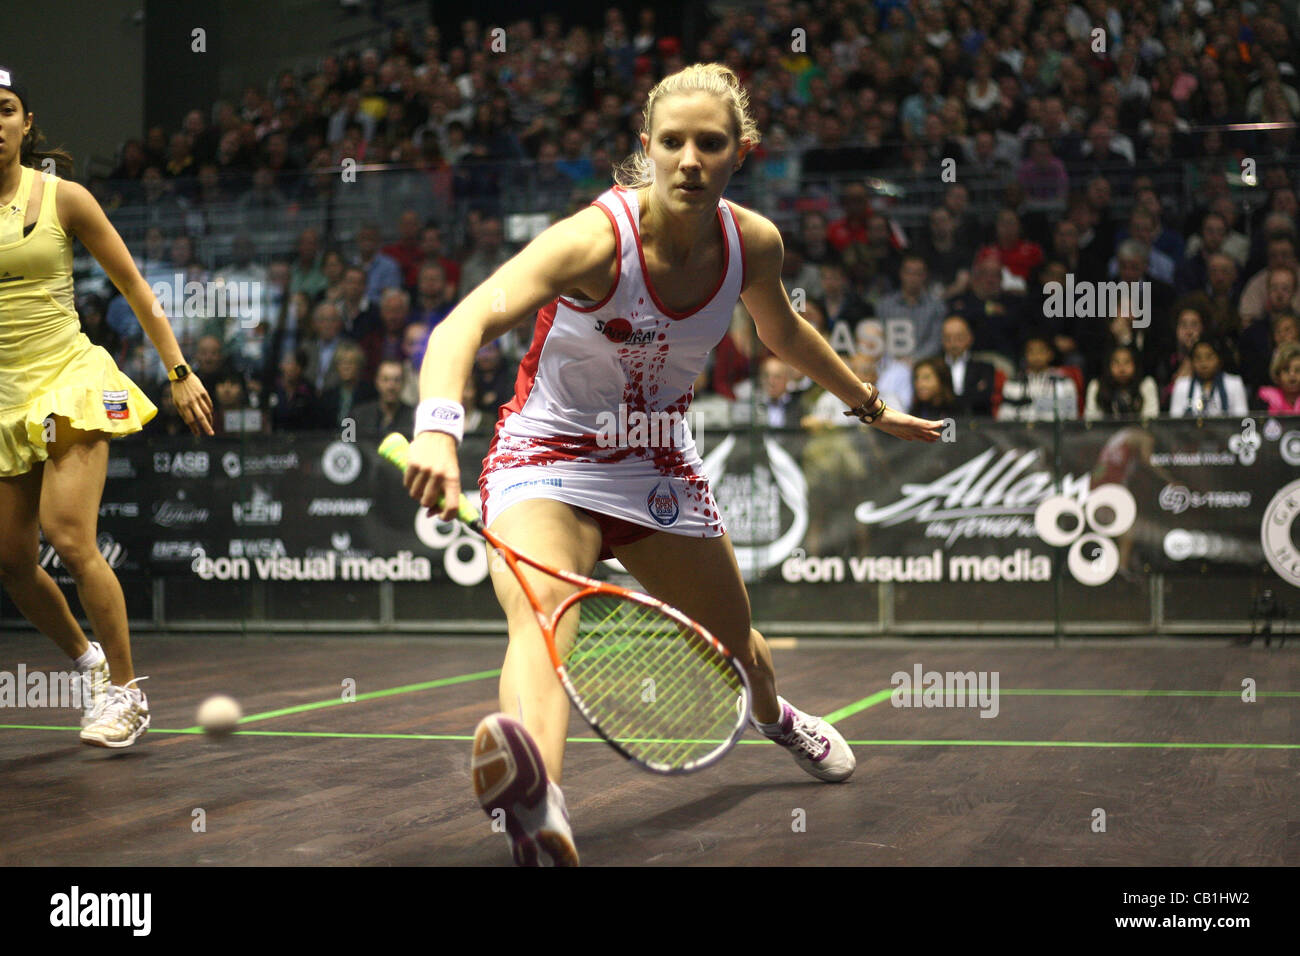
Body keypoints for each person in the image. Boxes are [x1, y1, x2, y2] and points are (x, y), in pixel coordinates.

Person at [399, 63, 941, 867]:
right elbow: (462, 323)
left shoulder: (752, 244)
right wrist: (438, 430)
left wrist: (869, 406)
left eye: (710, 144)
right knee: (544, 616)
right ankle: (537, 805)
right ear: (646, 147)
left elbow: (783, 335)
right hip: (548, 456)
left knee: (739, 646)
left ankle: (774, 717)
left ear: (740, 153)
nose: (690, 159)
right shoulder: (593, 240)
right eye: (674, 142)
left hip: (657, 470)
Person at [0, 70, 214, 749]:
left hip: (71, 381)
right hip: (5, 400)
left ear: (26, 122)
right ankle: (90, 665)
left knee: (68, 535)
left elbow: (134, 285)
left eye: (4, 109)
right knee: (8, 558)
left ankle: (126, 692)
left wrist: (178, 370)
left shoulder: (65, 198)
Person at [1169, 339, 1249, 417]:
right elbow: (1175, 422)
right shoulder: (1181, 385)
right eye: (1198, 358)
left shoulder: (1234, 383)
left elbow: (1241, 420)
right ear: (1192, 361)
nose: (1203, 364)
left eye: (1209, 357)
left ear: (1219, 359)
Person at [1084, 345, 1159, 420]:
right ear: (1108, 365)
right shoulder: (1096, 386)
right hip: (1104, 431)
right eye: (1116, 363)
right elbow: (1091, 421)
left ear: (1135, 365)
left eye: (1127, 362)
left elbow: (1151, 420)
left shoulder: (1146, 384)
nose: (1122, 369)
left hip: (1138, 430)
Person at [1257, 342, 1300, 415]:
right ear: (1277, 374)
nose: (1292, 375)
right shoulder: (1265, 400)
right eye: (1286, 370)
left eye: (1298, 370)